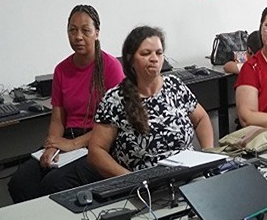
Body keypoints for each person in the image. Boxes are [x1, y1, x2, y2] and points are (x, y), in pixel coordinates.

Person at [8, 4, 124, 202]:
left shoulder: (110, 66)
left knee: (52, 185)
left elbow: (117, 123)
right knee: (20, 182)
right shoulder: (61, 70)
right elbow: (57, 120)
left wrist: (73, 144)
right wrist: (52, 146)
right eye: (72, 30)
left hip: (97, 142)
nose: (78, 36)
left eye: (85, 30)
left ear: (97, 33)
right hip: (66, 141)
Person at [88, 26, 213, 176]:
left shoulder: (175, 85)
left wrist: (208, 155)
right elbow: (96, 152)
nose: (154, 59)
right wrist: (130, 180)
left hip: (189, 176)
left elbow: (201, 119)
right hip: (146, 187)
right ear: (130, 59)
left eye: (159, 53)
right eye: (146, 53)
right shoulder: (115, 99)